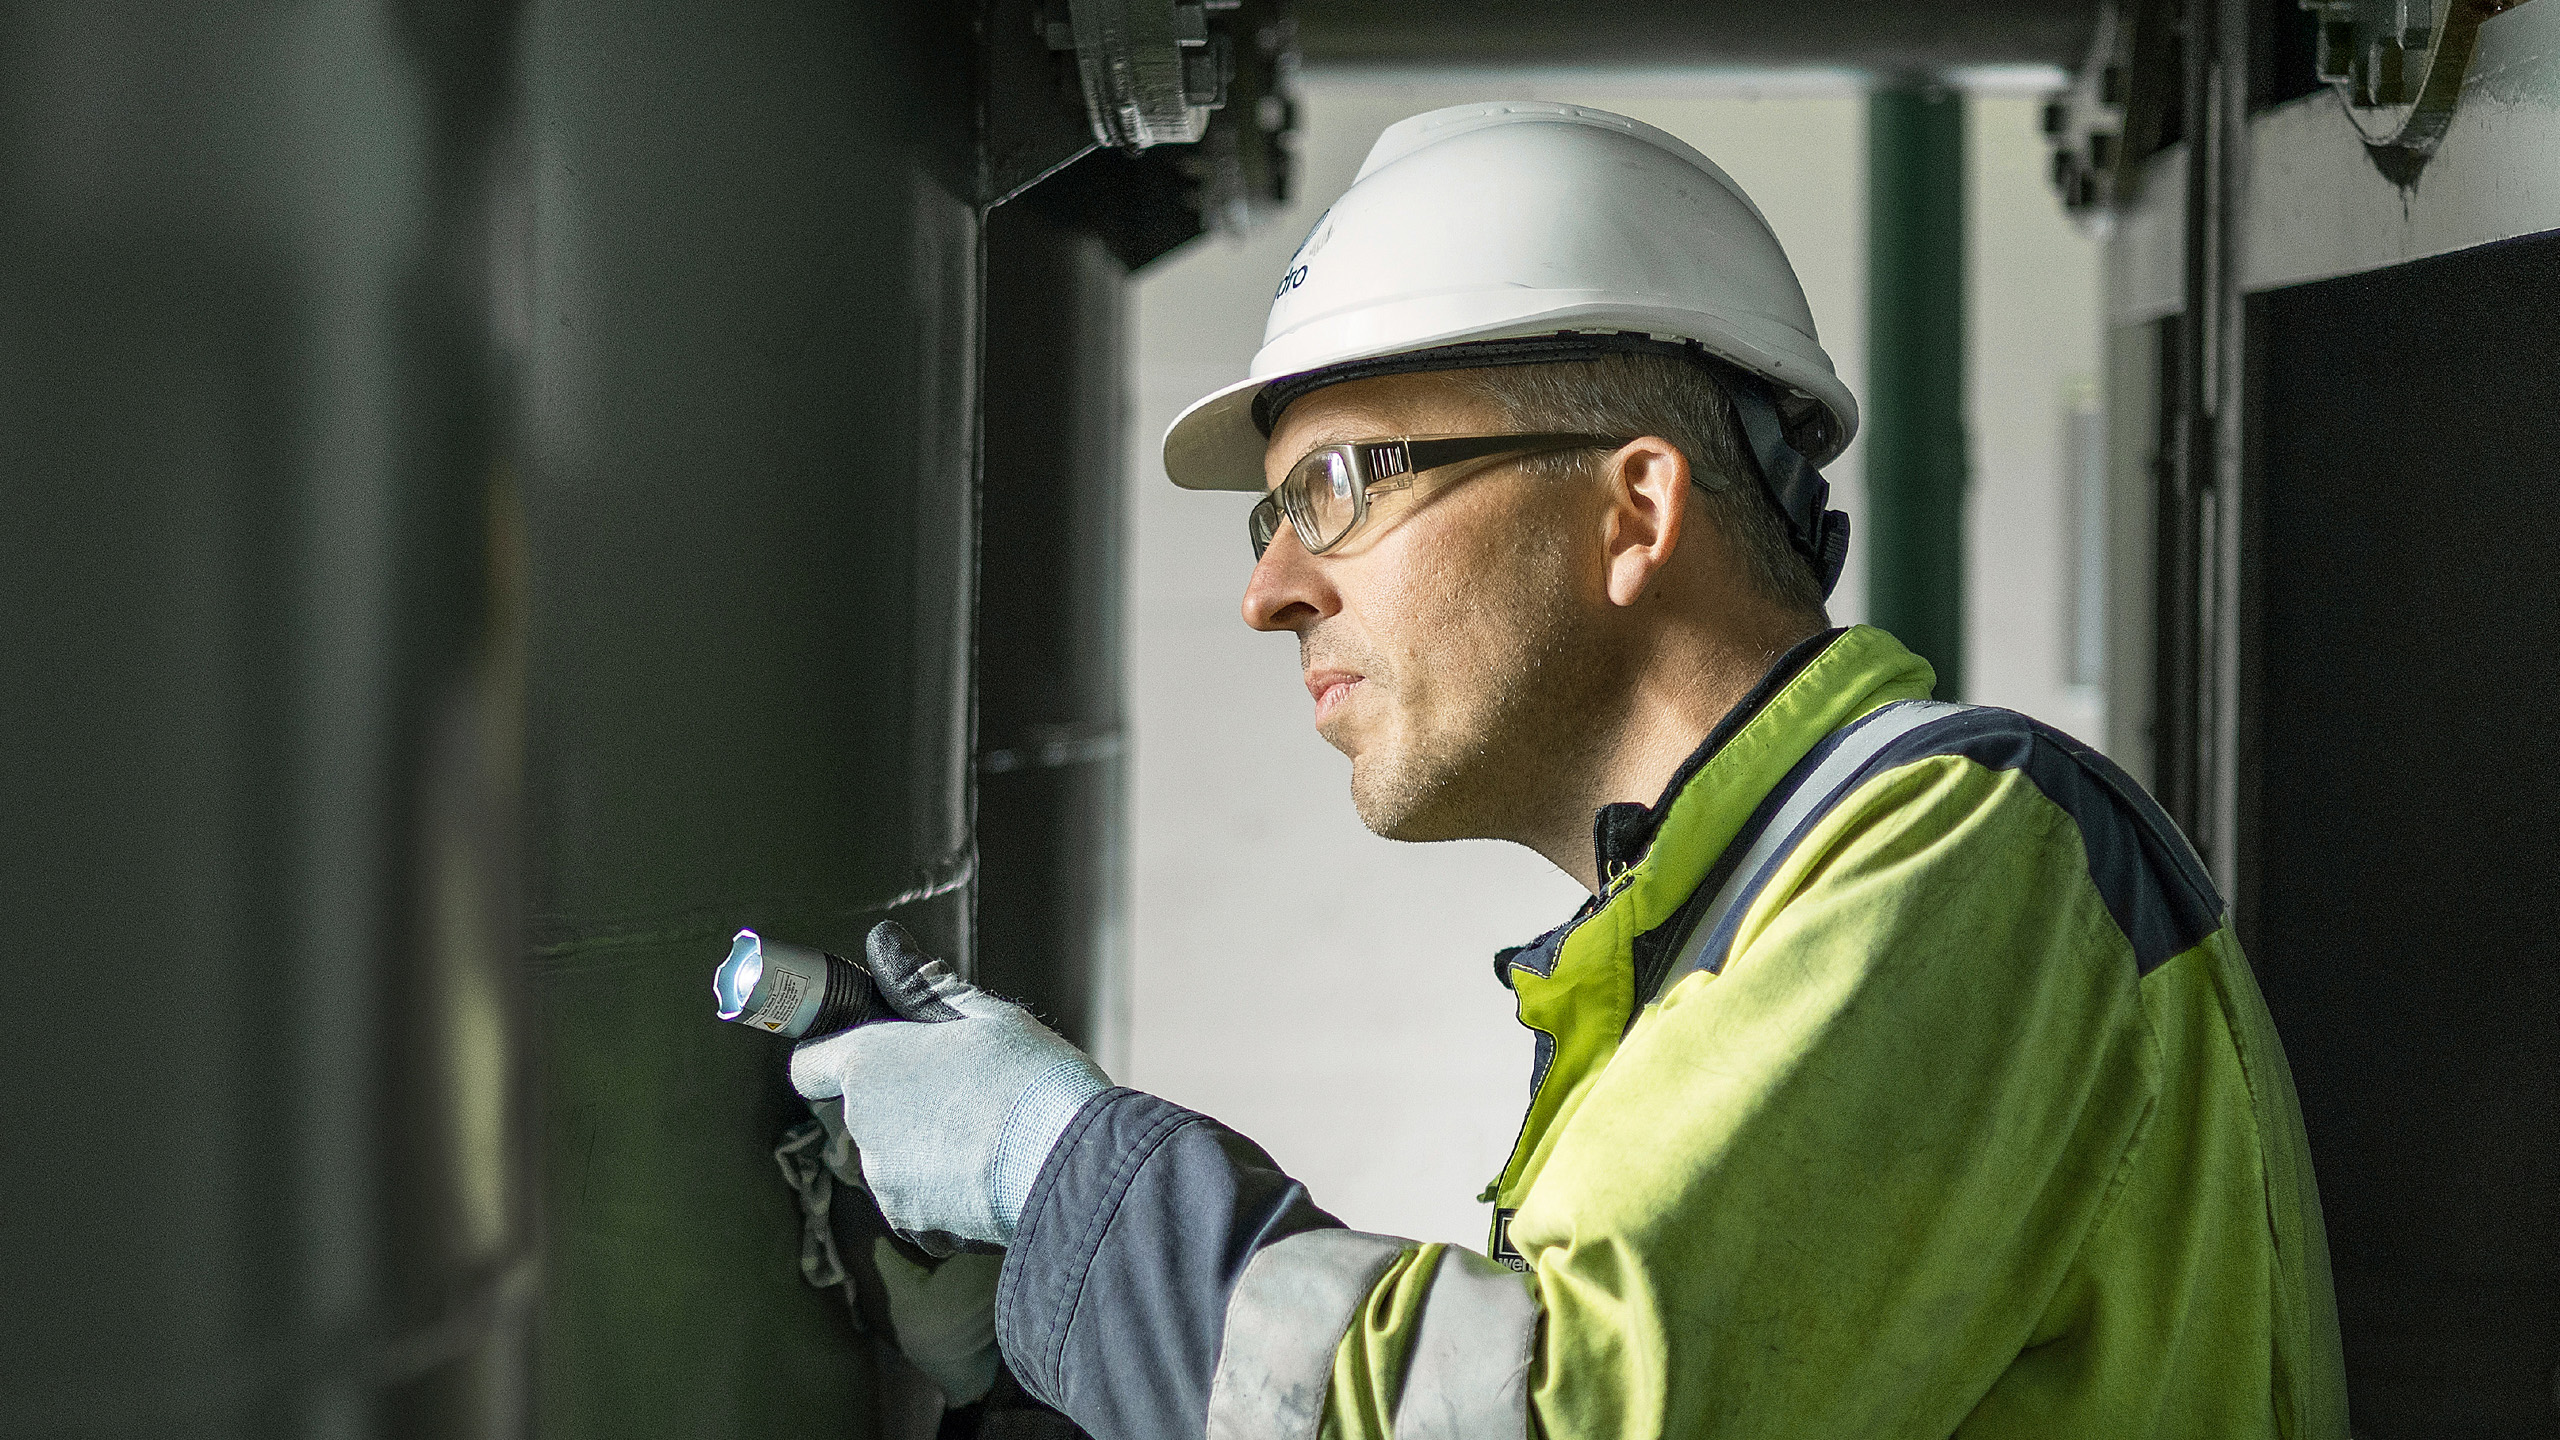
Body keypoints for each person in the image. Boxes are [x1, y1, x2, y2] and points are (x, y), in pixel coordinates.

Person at [789, 100, 2350, 1439]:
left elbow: (1558, 1414)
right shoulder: (1688, 951)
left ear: (1633, 512)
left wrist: (1063, 1177)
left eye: (1333, 488)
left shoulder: (1967, 853)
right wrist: (1036, 1360)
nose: (1271, 592)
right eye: (1268, 520)